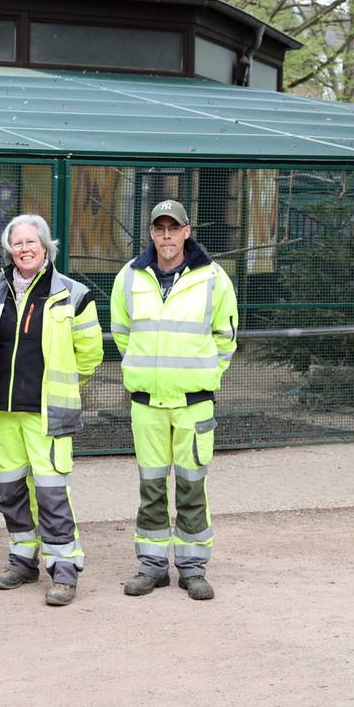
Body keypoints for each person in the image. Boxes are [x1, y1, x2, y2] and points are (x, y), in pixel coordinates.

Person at [110, 199, 237, 601]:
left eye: (173, 227)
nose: (166, 235)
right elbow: (121, 333)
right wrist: (142, 371)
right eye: (159, 228)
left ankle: (193, 569)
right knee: (150, 488)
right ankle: (151, 568)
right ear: (151, 232)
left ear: (187, 231)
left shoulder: (214, 279)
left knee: (191, 487)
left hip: (193, 404)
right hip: (147, 403)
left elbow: (225, 337)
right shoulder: (129, 277)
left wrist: (205, 377)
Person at [0, 214, 103, 606]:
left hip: (46, 414)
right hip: (1, 411)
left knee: (52, 493)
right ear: (8, 249)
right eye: (16, 243)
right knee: (11, 491)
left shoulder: (73, 293)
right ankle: (22, 559)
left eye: (30, 242)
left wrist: (61, 386)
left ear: (46, 246)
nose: (23, 249)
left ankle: (65, 570)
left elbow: (90, 357)